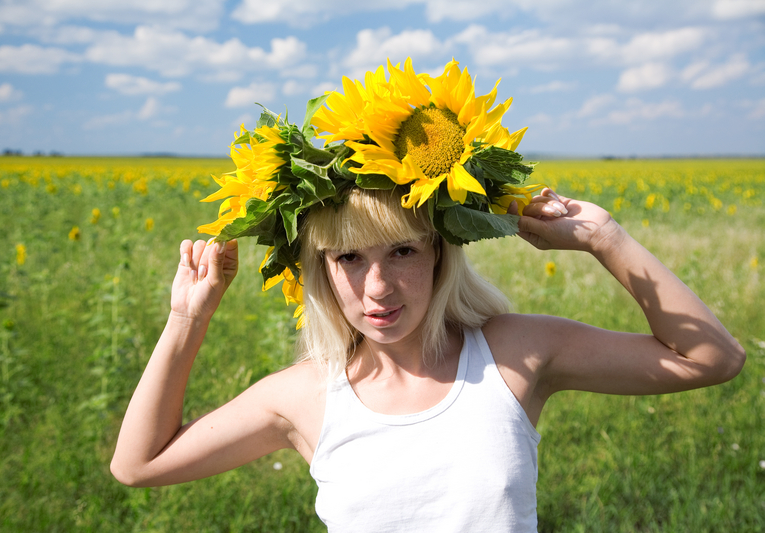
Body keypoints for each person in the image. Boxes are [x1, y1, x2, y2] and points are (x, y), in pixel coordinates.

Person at [111, 185, 745, 532]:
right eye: (350, 258)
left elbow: (711, 359)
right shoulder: (304, 396)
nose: (378, 287)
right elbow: (138, 465)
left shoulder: (512, 354)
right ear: (321, 270)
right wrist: (187, 320)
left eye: (403, 253)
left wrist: (606, 239)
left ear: (440, 255)